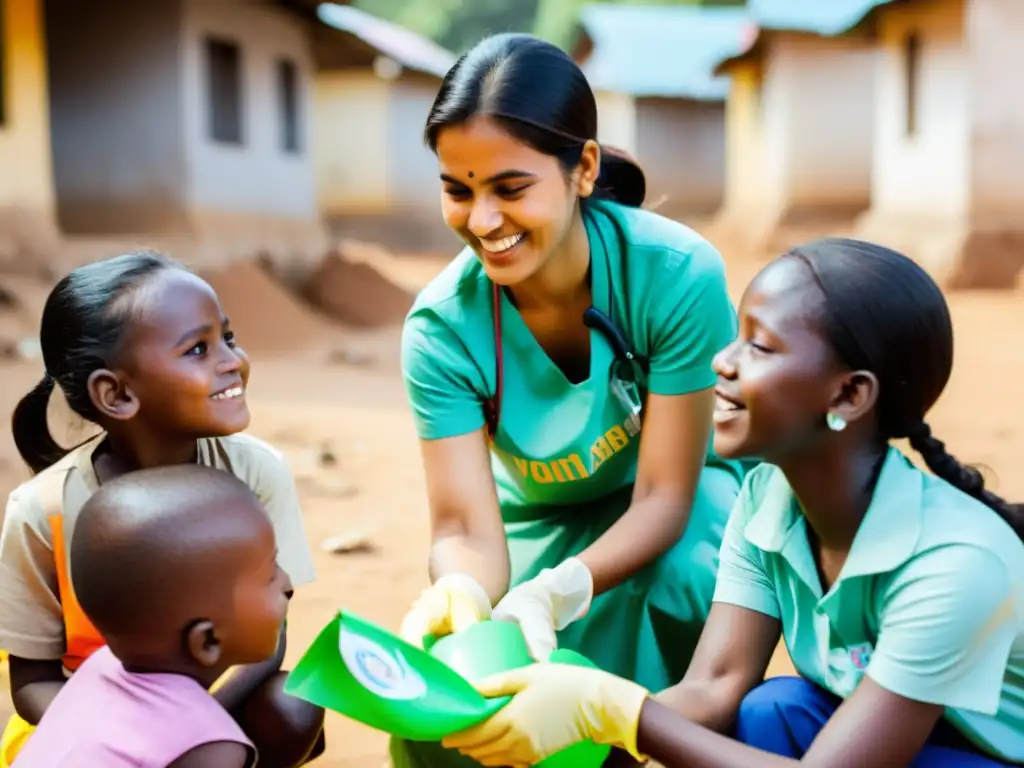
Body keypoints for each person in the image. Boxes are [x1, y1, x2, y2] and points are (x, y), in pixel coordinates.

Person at [439, 238, 1024, 768]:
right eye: (736, 337)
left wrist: (616, 709)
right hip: (898, 746)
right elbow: (714, 686)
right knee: (772, 710)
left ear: (848, 394)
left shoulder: (956, 565)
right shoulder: (770, 498)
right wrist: (588, 747)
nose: (723, 361)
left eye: (760, 346)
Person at [394, 32, 748, 766]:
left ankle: (661, 736)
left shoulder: (674, 275)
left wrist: (563, 589)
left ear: (583, 167)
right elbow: (465, 524)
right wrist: (462, 588)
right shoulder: (440, 329)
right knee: (460, 695)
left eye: (510, 188)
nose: (482, 222)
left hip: (671, 511)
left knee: (682, 576)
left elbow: (666, 493)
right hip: (532, 526)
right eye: (457, 191)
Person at [0, 252, 325, 766]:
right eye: (199, 348)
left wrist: (194, 730)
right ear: (116, 393)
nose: (233, 361)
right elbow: (33, 682)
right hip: (86, 727)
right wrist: (144, 734)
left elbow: (270, 635)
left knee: (293, 706)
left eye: (229, 339)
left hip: (215, 700)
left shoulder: (256, 472)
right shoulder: (43, 511)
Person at [16, 465, 293, 767]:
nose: (288, 586)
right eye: (271, 575)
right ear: (207, 640)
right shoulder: (210, 749)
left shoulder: (99, 666)